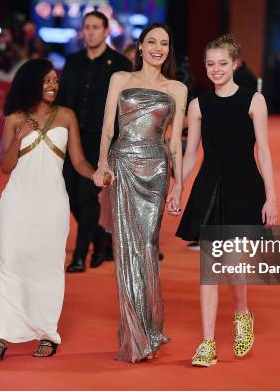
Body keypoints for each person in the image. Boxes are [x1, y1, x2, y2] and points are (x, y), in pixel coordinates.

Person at [175, 35, 278, 367]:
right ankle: (207, 343)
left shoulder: (254, 100)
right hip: (209, 188)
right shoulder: (198, 105)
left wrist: (272, 197)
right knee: (209, 267)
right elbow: (191, 156)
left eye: (222, 63)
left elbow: (263, 152)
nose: (215, 69)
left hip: (244, 186)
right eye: (210, 64)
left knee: (232, 266)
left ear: (234, 63)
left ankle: (242, 313)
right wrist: (177, 186)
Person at [0, 59, 95, 360]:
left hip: (52, 203)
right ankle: (3, 334)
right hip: (16, 203)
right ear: (31, 82)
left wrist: (97, 174)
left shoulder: (67, 116)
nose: (52, 86)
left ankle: (47, 333)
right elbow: (5, 167)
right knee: (9, 267)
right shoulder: (15, 117)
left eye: (55, 81)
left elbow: (79, 162)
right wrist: (19, 137)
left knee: (48, 267)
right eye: (47, 81)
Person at [93, 23, 187, 363]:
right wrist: (102, 163)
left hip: (157, 170)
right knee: (125, 248)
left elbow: (174, 141)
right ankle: (134, 335)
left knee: (147, 246)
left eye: (164, 42)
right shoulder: (120, 79)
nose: (158, 48)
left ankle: (148, 328)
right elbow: (108, 127)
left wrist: (179, 183)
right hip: (121, 168)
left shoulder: (177, 88)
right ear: (141, 46)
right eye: (152, 42)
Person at [57, 11, 132, 273]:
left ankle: (79, 256)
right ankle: (99, 234)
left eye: (95, 27)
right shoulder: (72, 62)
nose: (90, 32)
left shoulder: (120, 63)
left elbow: (126, 106)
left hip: (103, 141)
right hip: (72, 139)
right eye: (86, 27)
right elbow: (63, 98)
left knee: (86, 194)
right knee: (67, 193)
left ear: (106, 31)